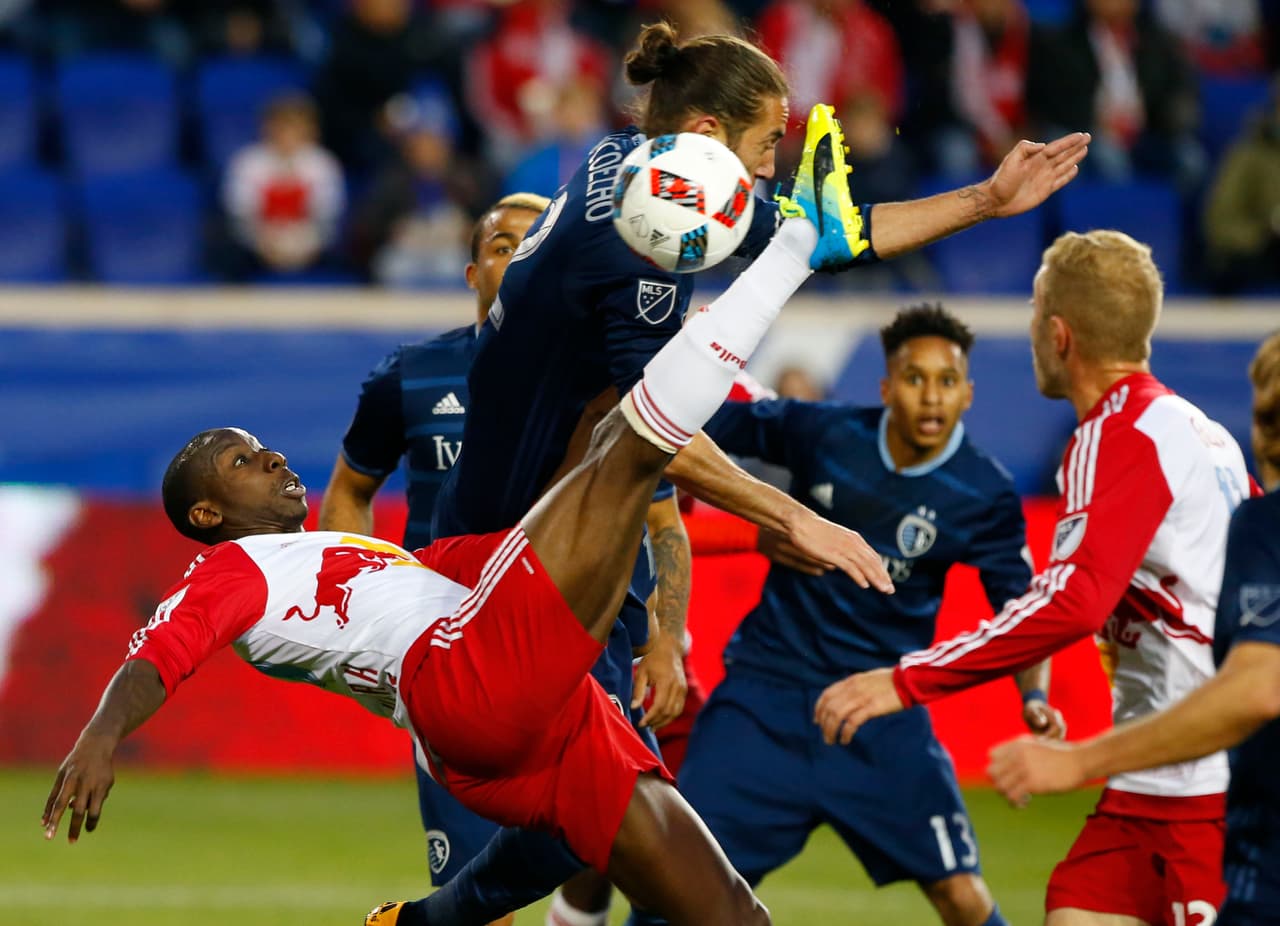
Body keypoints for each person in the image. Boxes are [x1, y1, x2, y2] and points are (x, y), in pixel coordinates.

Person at [42, 206, 881, 926]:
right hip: (465, 677)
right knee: (618, 429)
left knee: (732, 913)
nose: (271, 462)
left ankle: (428, 920)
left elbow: (516, 553)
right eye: (242, 464)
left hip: (510, 711)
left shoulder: (361, 560)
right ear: (206, 516)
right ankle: (793, 245)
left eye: (262, 449)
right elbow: (163, 653)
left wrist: (721, 539)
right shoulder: (238, 571)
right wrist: (100, 736)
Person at [813, 230, 1255, 926]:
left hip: (1204, 791)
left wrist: (905, 680)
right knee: (1073, 910)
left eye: (1031, 316)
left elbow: (1072, 601)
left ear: (1058, 334)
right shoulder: (1205, 433)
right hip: (1150, 786)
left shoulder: (1118, 435)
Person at [321, 192, 691, 926]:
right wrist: (370, 617)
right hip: (465, 663)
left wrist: (668, 641)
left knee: (661, 874)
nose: (517, 258)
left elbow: (665, 526)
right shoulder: (411, 375)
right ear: (470, 272)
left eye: (532, 245)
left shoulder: (611, 377)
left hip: (594, 654)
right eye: (499, 246)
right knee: (479, 903)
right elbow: (348, 493)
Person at [635, 303, 1058, 926]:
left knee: (962, 895)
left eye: (947, 381)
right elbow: (702, 422)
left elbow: (1020, 611)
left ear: (969, 393)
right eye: (915, 379)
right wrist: (687, 352)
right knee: (673, 887)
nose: (931, 397)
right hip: (765, 701)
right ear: (887, 387)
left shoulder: (984, 491)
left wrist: (1033, 698)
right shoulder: (825, 433)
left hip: (878, 711)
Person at [987, 331, 1280, 926]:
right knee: (1074, 912)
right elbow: (1068, 592)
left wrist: (1077, 760)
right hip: (1158, 798)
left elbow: (1255, 689)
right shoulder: (1242, 507)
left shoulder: (1261, 525)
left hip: (1223, 801)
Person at [220, 93, 345, 280]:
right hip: (257, 248)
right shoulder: (248, 162)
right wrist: (261, 243)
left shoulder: (322, 164)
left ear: (310, 131)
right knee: (228, 260)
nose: (288, 134)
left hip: (310, 247)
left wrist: (308, 245)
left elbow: (328, 215)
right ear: (267, 128)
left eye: (295, 127)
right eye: (282, 127)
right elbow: (240, 214)